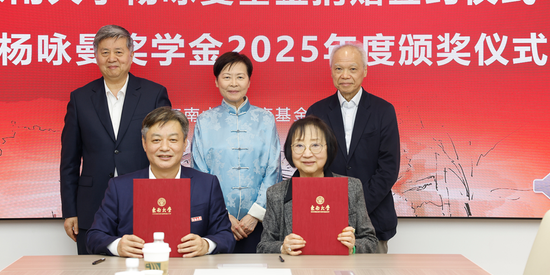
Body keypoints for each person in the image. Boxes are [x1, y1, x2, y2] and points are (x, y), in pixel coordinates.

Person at [60, 25, 171, 254]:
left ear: (131, 55)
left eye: (119, 52)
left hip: (145, 202)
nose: (112, 58)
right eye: (105, 52)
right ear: (96, 56)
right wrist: (70, 211)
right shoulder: (80, 99)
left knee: (147, 269)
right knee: (92, 270)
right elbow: (69, 161)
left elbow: (166, 153)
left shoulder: (154, 94)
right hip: (92, 207)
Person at [86, 108, 235, 257]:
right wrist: (118, 246)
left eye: (173, 140)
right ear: (144, 144)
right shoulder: (120, 187)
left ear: (185, 143)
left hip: (190, 267)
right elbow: (94, 236)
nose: (164, 148)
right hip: (136, 268)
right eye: (156, 140)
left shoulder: (207, 185)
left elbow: (226, 236)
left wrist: (206, 245)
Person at [306, 43, 400, 253]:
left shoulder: (383, 111)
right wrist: (333, 207)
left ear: (365, 70)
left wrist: (356, 208)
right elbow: (310, 165)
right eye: (339, 68)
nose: (345, 75)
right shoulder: (316, 111)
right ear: (331, 71)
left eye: (353, 68)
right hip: (325, 215)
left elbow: (388, 169)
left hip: (373, 221)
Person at [191, 52, 281, 253]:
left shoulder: (265, 119)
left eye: (240, 77)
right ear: (216, 82)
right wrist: (223, 215)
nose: (233, 83)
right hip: (217, 222)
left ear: (249, 81)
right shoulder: (205, 121)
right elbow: (200, 173)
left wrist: (255, 214)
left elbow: (273, 169)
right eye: (226, 77)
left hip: (259, 223)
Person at [257, 116, 378, 255]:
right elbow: (263, 246)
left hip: (340, 266)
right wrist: (282, 248)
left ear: (328, 148)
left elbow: (370, 240)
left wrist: (353, 247)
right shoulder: (276, 193)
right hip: (294, 267)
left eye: (315, 145)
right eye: (299, 146)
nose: (307, 154)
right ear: (290, 150)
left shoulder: (351, 187)